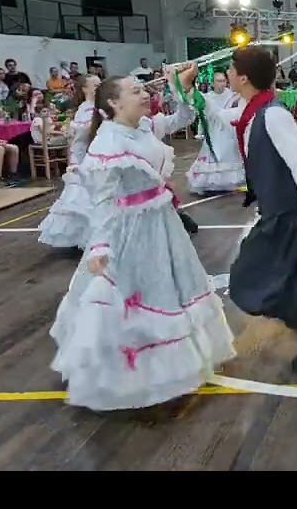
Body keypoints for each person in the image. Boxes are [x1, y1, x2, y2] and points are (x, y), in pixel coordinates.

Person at [50, 65, 236, 411]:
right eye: (135, 91)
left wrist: (181, 86)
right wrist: (102, 244)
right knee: (140, 293)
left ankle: (179, 361)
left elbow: (183, 115)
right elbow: (103, 200)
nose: (145, 94)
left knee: (170, 287)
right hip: (129, 230)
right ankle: (134, 373)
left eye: (143, 89)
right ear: (114, 104)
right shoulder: (108, 141)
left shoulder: (146, 126)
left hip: (161, 221)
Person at [213, 47, 297, 372]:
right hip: (275, 214)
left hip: (287, 217)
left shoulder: (273, 115)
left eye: (230, 69)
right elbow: (217, 118)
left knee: (249, 280)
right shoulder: (251, 111)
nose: (227, 74)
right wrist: (182, 89)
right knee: (283, 283)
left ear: (243, 77)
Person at [38, 75, 100, 251]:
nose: (98, 87)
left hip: (91, 152)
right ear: (85, 89)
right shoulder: (86, 109)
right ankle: (81, 235)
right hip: (83, 155)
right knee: (81, 194)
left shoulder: (97, 108)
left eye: (99, 84)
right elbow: (81, 134)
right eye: (94, 85)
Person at [186, 70, 247, 194]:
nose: (222, 83)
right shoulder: (207, 97)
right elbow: (202, 114)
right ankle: (211, 184)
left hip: (228, 131)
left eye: (224, 80)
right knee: (213, 153)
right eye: (219, 81)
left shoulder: (233, 96)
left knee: (228, 153)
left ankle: (231, 182)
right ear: (213, 83)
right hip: (213, 131)